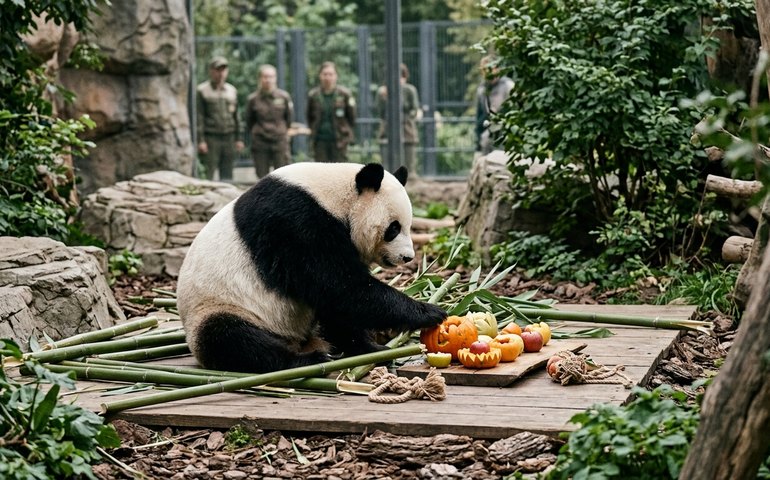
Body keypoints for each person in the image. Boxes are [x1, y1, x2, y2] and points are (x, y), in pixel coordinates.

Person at [196, 56, 244, 180]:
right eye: (217, 70)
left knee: (227, 172)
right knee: (209, 171)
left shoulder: (232, 90)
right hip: (211, 137)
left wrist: (239, 138)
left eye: (223, 70)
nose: (221, 73)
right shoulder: (202, 90)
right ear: (211, 71)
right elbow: (199, 117)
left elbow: (236, 116)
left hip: (229, 136)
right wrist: (201, 140)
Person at [245, 64, 294, 178]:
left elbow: (288, 119)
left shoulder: (284, 97)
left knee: (283, 176)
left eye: (271, 77)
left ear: (275, 78)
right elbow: (249, 121)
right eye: (265, 77)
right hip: (260, 142)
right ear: (260, 79)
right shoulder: (253, 99)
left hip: (279, 141)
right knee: (262, 178)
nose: (268, 80)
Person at [375, 63, 422, 175]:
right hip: (387, 129)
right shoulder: (382, 91)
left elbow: (414, 110)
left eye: (401, 76)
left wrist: (404, 117)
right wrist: (384, 98)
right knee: (387, 166)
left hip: (406, 129)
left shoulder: (409, 90)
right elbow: (380, 112)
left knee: (408, 166)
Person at [306, 61, 356, 162]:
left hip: (340, 141)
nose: (327, 77)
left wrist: (345, 133)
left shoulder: (345, 94)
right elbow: (309, 116)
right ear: (320, 76)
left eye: (331, 74)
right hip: (320, 141)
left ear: (336, 76)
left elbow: (351, 117)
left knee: (340, 172)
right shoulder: (313, 95)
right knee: (322, 172)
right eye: (325, 74)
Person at [475, 55, 514, 155]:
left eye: (489, 69)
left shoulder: (508, 86)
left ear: (497, 68)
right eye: (484, 70)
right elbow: (479, 118)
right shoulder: (482, 89)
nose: (487, 72)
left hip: (507, 134)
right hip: (487, 137)